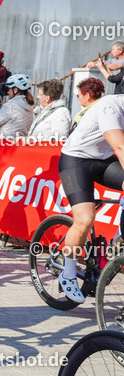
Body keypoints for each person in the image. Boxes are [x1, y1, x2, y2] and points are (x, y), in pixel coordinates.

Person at [56, 94, 124, 302]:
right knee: (85, 220)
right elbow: (120, 147)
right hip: (76, 161)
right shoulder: (109, 106)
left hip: (102, 161)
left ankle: (115, 245)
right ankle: (67, 273)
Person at [0, 73, 34, 139]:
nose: (7, 92)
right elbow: (10, 118)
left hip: (5, 144)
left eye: (9, 89)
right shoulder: (27, 104)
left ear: (15, 90)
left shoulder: (11, 106)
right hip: (18, 143)